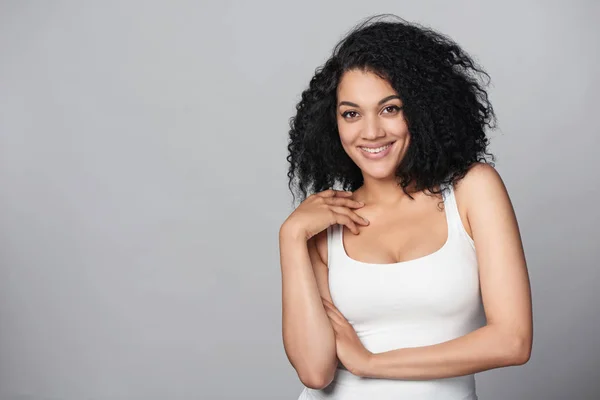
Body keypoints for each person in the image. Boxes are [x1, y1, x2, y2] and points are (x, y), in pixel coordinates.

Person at [279, 14, 533, 400]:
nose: (371, 132)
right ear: (333, 125)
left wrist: (371, 364)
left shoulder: (471, 190)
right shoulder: (326, 221)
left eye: (389, 108)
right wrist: (290, 236)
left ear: (423, 109)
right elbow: (315, 371)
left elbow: (512, 341)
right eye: (351, 113)